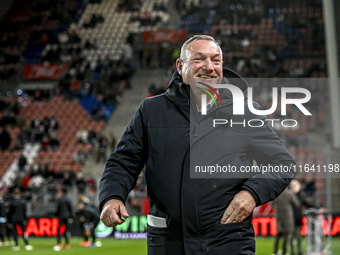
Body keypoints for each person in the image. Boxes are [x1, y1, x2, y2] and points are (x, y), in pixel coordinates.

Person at [99, 35, 295, 255]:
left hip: (228, 241)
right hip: (169, 243)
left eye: (216, 60)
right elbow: (123, 162)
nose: (209, 67)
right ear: (180, 66)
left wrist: (251, 194)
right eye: (199, 59)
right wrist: (112, 196)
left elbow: (282, 162)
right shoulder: (152, 111)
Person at [272, 187, 300, 255]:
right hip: (288, 217)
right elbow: (297, 203)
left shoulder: (277, 194)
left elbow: (272, 204)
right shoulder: (289, 193)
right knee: (287, 235)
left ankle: (275, 252)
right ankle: (284, 252)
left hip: (279, 216)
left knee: (278, 235)